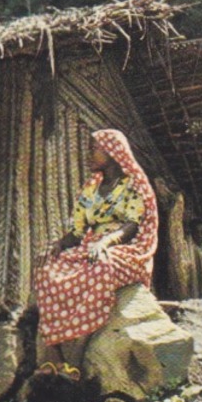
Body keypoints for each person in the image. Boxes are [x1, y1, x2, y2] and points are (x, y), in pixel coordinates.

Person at [32, 128, 159, 380]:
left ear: (112, 153)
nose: (88, 154)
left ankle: (79, 353)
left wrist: (106, 243)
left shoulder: (132, 186)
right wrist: (58, 245)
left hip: (124, 251)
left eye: (94, 149)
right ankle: (55, 352)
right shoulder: (91, 191)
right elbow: (77, 232)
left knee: (101, 267)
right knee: (47, 270)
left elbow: (131, 225)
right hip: (91, 248)